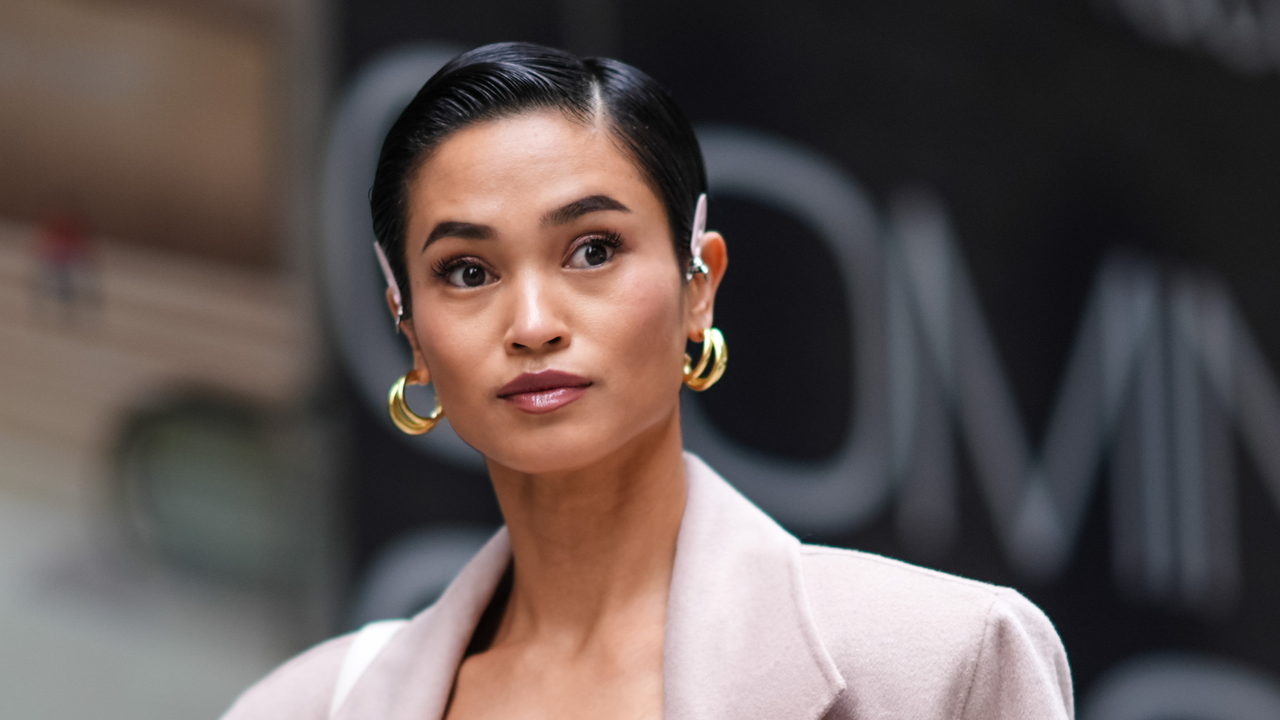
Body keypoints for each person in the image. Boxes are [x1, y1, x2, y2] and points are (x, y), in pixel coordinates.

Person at [223, 42, 1073, 720]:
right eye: (467, 271)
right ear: (409, 329)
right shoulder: (299, 708)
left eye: (592, 251)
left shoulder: (941, 666)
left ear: (698, 284)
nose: (531, 324)